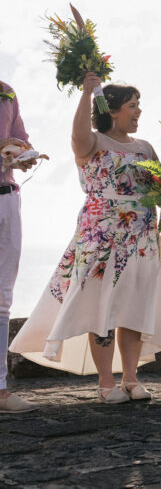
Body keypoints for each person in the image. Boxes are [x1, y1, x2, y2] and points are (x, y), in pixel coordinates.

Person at [11, 73, 161, 403]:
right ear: (112, 110)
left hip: (141, 234)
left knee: (135, 305)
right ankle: (105, 382)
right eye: (132, 105)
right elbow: (77, 133)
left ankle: (131, 378)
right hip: (101, 234)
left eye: (139, 105)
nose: (138, 111)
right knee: (104, 306)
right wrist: (87, 94)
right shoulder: (93, 142)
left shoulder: (146, 147)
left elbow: (160, 190)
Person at [0, 79, 39, 413]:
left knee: (2, 299)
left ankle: (0, 389)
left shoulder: (8, 90)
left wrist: (24, 154)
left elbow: (20, 139)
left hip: (8, 200)